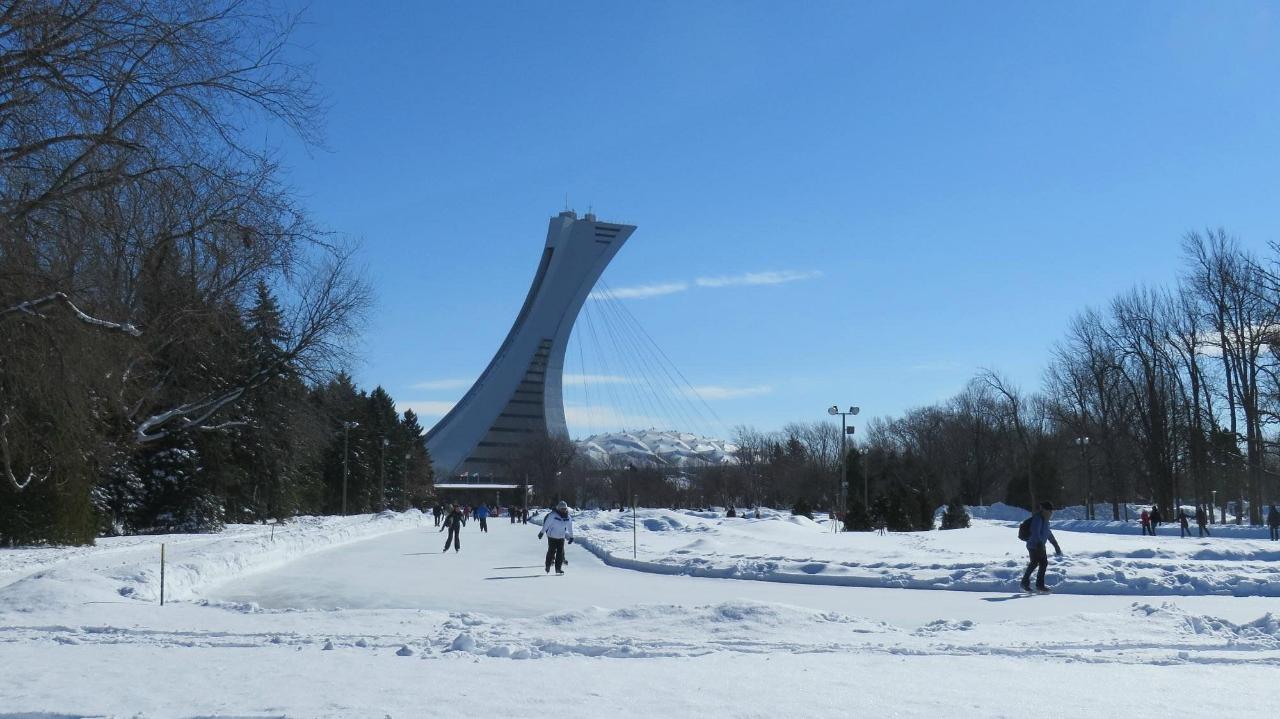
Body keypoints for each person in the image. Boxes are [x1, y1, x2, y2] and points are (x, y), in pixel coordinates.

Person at [1021, 501, 1063, 593]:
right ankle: (1028, 583)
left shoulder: (1045, 520)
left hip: (1040, 546)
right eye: (1049, 510)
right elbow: (1035, 532)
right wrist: (1039, 544)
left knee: (1042, 563)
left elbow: (1048, 533)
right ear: (1044, 510)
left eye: (1051, 511)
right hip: (1034, 545)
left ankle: (1037, 585)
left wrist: (1055, 544)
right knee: (1035, 563)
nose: (1051, 513)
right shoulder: (1038, 519)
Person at [538, 500, 574, 574]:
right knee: (551, 552)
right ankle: (547, 565)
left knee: (560, 554)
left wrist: (571, 536)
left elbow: (570, 527)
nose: (563, 510)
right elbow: (546, 524)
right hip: (552, 537)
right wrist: (542, 532)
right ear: (558, 508)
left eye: (565, 509)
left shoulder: (568, 517)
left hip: (561, 537)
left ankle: (558, 569)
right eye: (562, 509)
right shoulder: (553, 515)